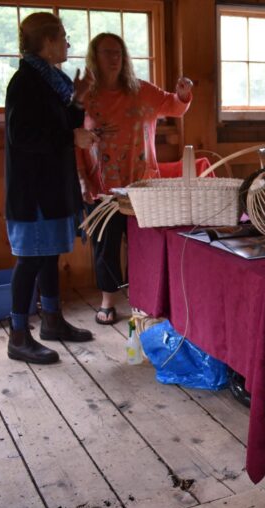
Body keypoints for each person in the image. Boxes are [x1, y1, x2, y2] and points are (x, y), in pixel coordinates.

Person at [78, 32, 193, 325]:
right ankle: (107, 301)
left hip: (143, 184)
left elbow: (174, 107)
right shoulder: (85, 97)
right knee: (106, 245)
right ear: (95, 57)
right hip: (102, 186)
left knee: (144, 245)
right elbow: (75, 140)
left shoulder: (142, 89)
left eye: (118, 52)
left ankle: (144, 300)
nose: (114, 58)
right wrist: (82, 180)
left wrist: (182, 94)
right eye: (107, 52)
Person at [5, 12, 98, 364]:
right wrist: (71, 135)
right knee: (30, 258)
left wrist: (77, 101)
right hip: (34, 190)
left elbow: (61, 124)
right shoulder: (24, 82)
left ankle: (52, 321)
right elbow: (23, 136)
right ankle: (17, 335)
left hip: (52, 184)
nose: (68, 43)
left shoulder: (51, 81)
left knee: (48, 254)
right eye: (62, 36)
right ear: (45, 42)